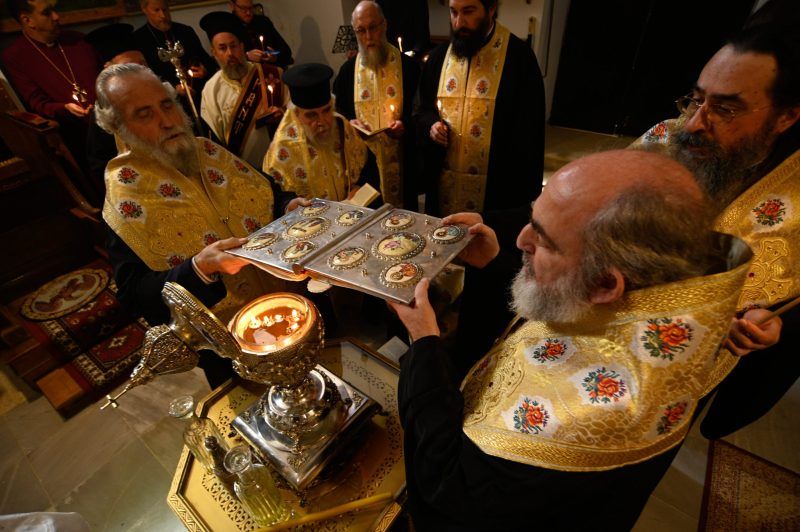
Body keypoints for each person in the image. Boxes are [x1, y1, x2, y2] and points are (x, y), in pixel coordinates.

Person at [389, 150, 753, 529]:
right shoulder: (647, 299)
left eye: (544, 240)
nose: (520, 240)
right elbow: (562, 303)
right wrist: (496, 262)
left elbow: (447, 491)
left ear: (605, 284)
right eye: (533, 219)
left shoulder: (581, 416)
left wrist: (424, 342)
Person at [633, 28, 799, 439]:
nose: (694, 123)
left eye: (724, 109)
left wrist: (772, 326)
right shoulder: (664, 138)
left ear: (786, 117)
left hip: (677, 382)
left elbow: (789, 302)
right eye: (696, 99)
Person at [94, 63, 301, 386]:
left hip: (293, 305)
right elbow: (134, 295)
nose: (167, 121)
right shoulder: (125, 196)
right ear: (119, 128)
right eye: (145, 114)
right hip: (231, 348)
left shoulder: (208, 150)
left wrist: (288, 203)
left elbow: (266, 193)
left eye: (167, 105)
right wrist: (199, 268)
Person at [414, 0, 545, 215]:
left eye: (468, 12)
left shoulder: (519, 58)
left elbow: (529, 131)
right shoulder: (439, 57)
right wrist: (432, 126)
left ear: (491, 9)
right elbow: (423, 110)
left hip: (497, 194)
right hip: (443, 189)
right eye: (454, 12)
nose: (459, 22)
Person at [2, 0, 101, 202]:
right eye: (47, 13)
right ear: (27, 20)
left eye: (54, 10)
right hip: (74, 133)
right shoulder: (15, 56)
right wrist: (64, 108)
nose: (57, 16)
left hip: (111, 120)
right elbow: (37, 103)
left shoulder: (77, 40)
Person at [333, 0, 421, 208]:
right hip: (366, 171)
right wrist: (351, 125)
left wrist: (405, 126)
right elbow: (338, 115)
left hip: (403, 165)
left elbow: (421, 114)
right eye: (361, 31)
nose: (368, 37)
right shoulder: (347, 72)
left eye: (373, 27)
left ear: (384, 25)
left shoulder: (409, 68)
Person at [263, 63, 368, 201]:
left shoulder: (341, 125)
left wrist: (358, 186)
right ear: (296, 114)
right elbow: (279, 199)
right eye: (311, 115)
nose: (322, 121)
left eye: (326, 110)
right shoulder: (283, 147)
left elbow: (366, 166)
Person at [200, 11, 282, 168]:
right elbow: (214, 141)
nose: (230, 53)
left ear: (242, 46)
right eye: (222, 48)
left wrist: (282, 114)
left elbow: (294, 115)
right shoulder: (210, 91)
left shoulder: (272, 74)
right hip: (242, 170)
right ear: (214, 53)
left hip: (280, 162)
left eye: (233, 46)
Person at [85, 23, 148, 191]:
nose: (140, 73)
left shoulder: (163, 95)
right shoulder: (103, 113)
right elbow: (101, 166)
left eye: (143, 65)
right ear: (109, 70)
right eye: (129, 67)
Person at [131, 0, 217, 118]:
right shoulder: (138, 39)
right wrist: (172, 89)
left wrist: (204, 70)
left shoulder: (185, 31)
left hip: (199, 97)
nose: (163, 15)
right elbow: (144, 77)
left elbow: (206, 60)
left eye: (165, 9)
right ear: (145, 10)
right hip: (167, 104)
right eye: (156, 10)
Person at [229, 0, 293, 70]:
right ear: (232, 6)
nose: (248, 12)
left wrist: (274, 57)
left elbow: (286, 52)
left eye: (251, 8)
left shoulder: (263, 22)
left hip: (272, 71)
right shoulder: (228, 27)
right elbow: (226, 61)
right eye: (243, 8)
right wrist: (246, 57)